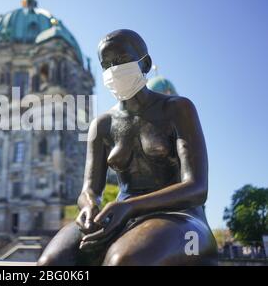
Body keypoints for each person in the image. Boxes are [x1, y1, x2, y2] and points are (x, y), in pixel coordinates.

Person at [38, 29, 217, 266]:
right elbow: (89, 190)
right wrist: (89, 207)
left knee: (123, 261)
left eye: (121, 61)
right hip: (117, 216)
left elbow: (197, 189)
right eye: (107, 65)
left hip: (181, 216)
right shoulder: (101, 125)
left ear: (145, 63)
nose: (114, 70)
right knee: (51, 262)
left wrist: (129, 207)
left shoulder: (177, 109)